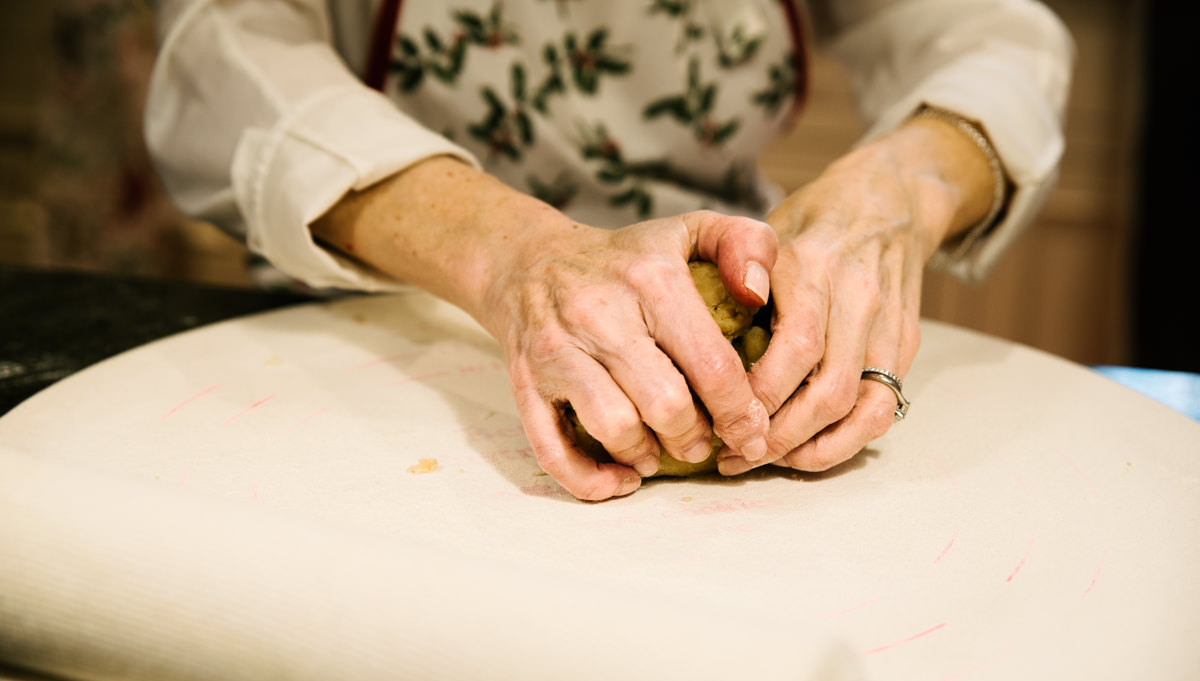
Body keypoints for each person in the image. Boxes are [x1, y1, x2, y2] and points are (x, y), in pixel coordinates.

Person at [144, 0, 1072, 500]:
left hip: (742, 302)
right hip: (389, 308)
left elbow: (996, 36)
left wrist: (901, 191)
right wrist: (511, 256)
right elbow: (221, 53)